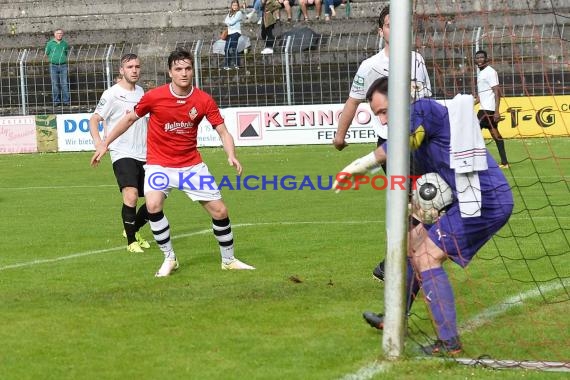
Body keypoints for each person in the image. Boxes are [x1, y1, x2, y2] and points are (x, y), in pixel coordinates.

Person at [334, 77, 514, 355]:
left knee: (427, 257)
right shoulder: (417, 137)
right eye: (377, 115)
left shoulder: (425, 110)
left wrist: (358, 166)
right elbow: (423, 182)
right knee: (410, 243)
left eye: (384, 111)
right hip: (462, 198)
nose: (382, 120)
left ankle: (449, 342)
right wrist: (412, 214)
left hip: (484, 199)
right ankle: (394, 319)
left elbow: (395, 147)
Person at [90, 48, 255, 277]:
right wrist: (105, 143)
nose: (184, 73)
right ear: (170, 72)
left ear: (192, 71)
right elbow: (128, 120)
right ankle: (169, 258)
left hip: (191, 166)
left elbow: (223, 131)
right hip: (159, 165)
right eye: (178, 69)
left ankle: (228, 260)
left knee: (220, 211)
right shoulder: (154, 97)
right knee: (153, 205)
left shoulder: (203, 99)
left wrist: (231, 154)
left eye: (187, 68)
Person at [333, 5, 431, 153]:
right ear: (381, 31)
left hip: (421, 139)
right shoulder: (370, 66)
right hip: (389, 142)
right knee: (404, 177)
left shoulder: (417, 59)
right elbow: (353, 101)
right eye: (390, 26)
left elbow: (426, 99)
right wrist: (340, 136)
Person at [89, 53, 150, 254]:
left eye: (137, 66)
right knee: (131, 195)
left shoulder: (142, 92)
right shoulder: (112, 94)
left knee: (154, 201)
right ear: (121, 70)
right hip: (121, 152)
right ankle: (131, 242)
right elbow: (94, 119)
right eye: (130, 66)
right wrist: (100, 144)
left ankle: (131, 229)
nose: (134, 70)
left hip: (145, 153)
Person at [475, 50, 509, 168]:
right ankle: (505, 163)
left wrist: (497, 111)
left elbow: (497, 91)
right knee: (496, 135)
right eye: (477, 58)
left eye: (481, 57)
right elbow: (481, 96)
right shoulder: (480, 73)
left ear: (486, 59)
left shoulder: (490, 72)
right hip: (484, 108)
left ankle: (475, 162)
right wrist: (470, 104)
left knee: (472, 132)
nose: (479, 59)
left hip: (487, 110)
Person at [45, 28, 70, 106]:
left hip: (63, 66)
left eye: (61, 33)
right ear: (54, 34)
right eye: (58, 33)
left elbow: (66, 52)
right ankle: (56, 101)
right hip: (53, 66)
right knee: (55, 84)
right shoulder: (50, 43)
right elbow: (47, 53)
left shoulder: (65, 43)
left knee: (64, 83)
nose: (59, 35)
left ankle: (66, 101)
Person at [223, 0, 244, 70]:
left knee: (231, 48)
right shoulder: (230, 13)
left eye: (236, 5)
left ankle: (233, 64)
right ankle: (230, 65)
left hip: (235, 32)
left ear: (238, 6)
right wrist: (229, 22)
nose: (234, 7)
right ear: (231, 6)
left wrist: (229, 22)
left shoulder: (239, 13)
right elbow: (225, 21)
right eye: (233, 5)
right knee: (228, 48)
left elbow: (232, 22)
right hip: (229, 32)